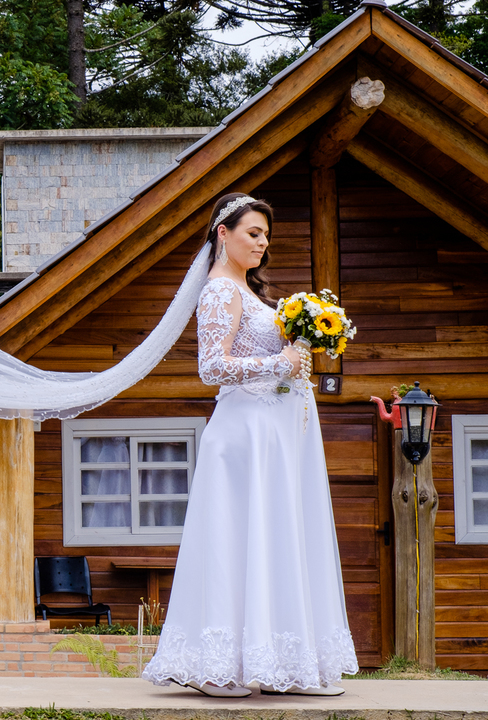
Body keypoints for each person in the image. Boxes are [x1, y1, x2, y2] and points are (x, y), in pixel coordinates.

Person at [141, 193, 359, 697]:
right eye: (253, 233)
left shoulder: (250, 291)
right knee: (236, 541)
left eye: (266, 235)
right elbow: (210, 367)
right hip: (245, 437)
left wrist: (298, 353)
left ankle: (286, 663)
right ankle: (217, 667)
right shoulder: (220, 290)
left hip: (278, 437)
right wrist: (277, 366)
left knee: (279, 539)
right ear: (224, 233)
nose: (262, 243)